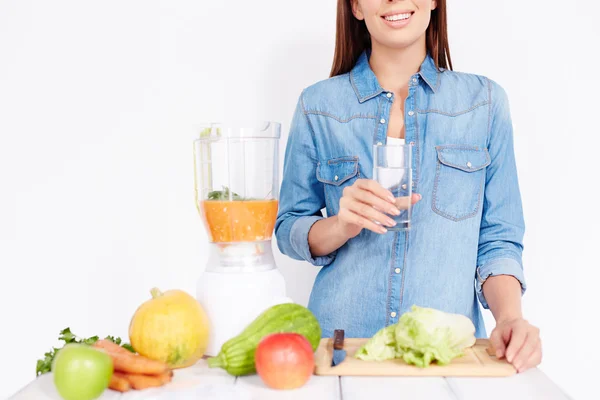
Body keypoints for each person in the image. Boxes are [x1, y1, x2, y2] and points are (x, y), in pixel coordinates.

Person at [274, 0, 542, 373]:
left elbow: (498, 239)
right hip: (340, 351)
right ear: (355, 7)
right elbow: (288, 226)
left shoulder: (484, 103)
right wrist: (339, 225)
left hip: (444, 357)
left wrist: (510, 317)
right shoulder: (317, 106)